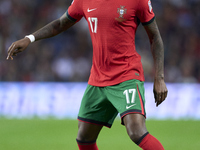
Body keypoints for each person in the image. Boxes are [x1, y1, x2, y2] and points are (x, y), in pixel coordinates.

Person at [7, 0, 168, 149]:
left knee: (136, 131)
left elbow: (155, 37)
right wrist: (30, 38)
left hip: (126, 75)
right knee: (84, 137)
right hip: (98, 79)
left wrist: (159, 78)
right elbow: (60, 23)